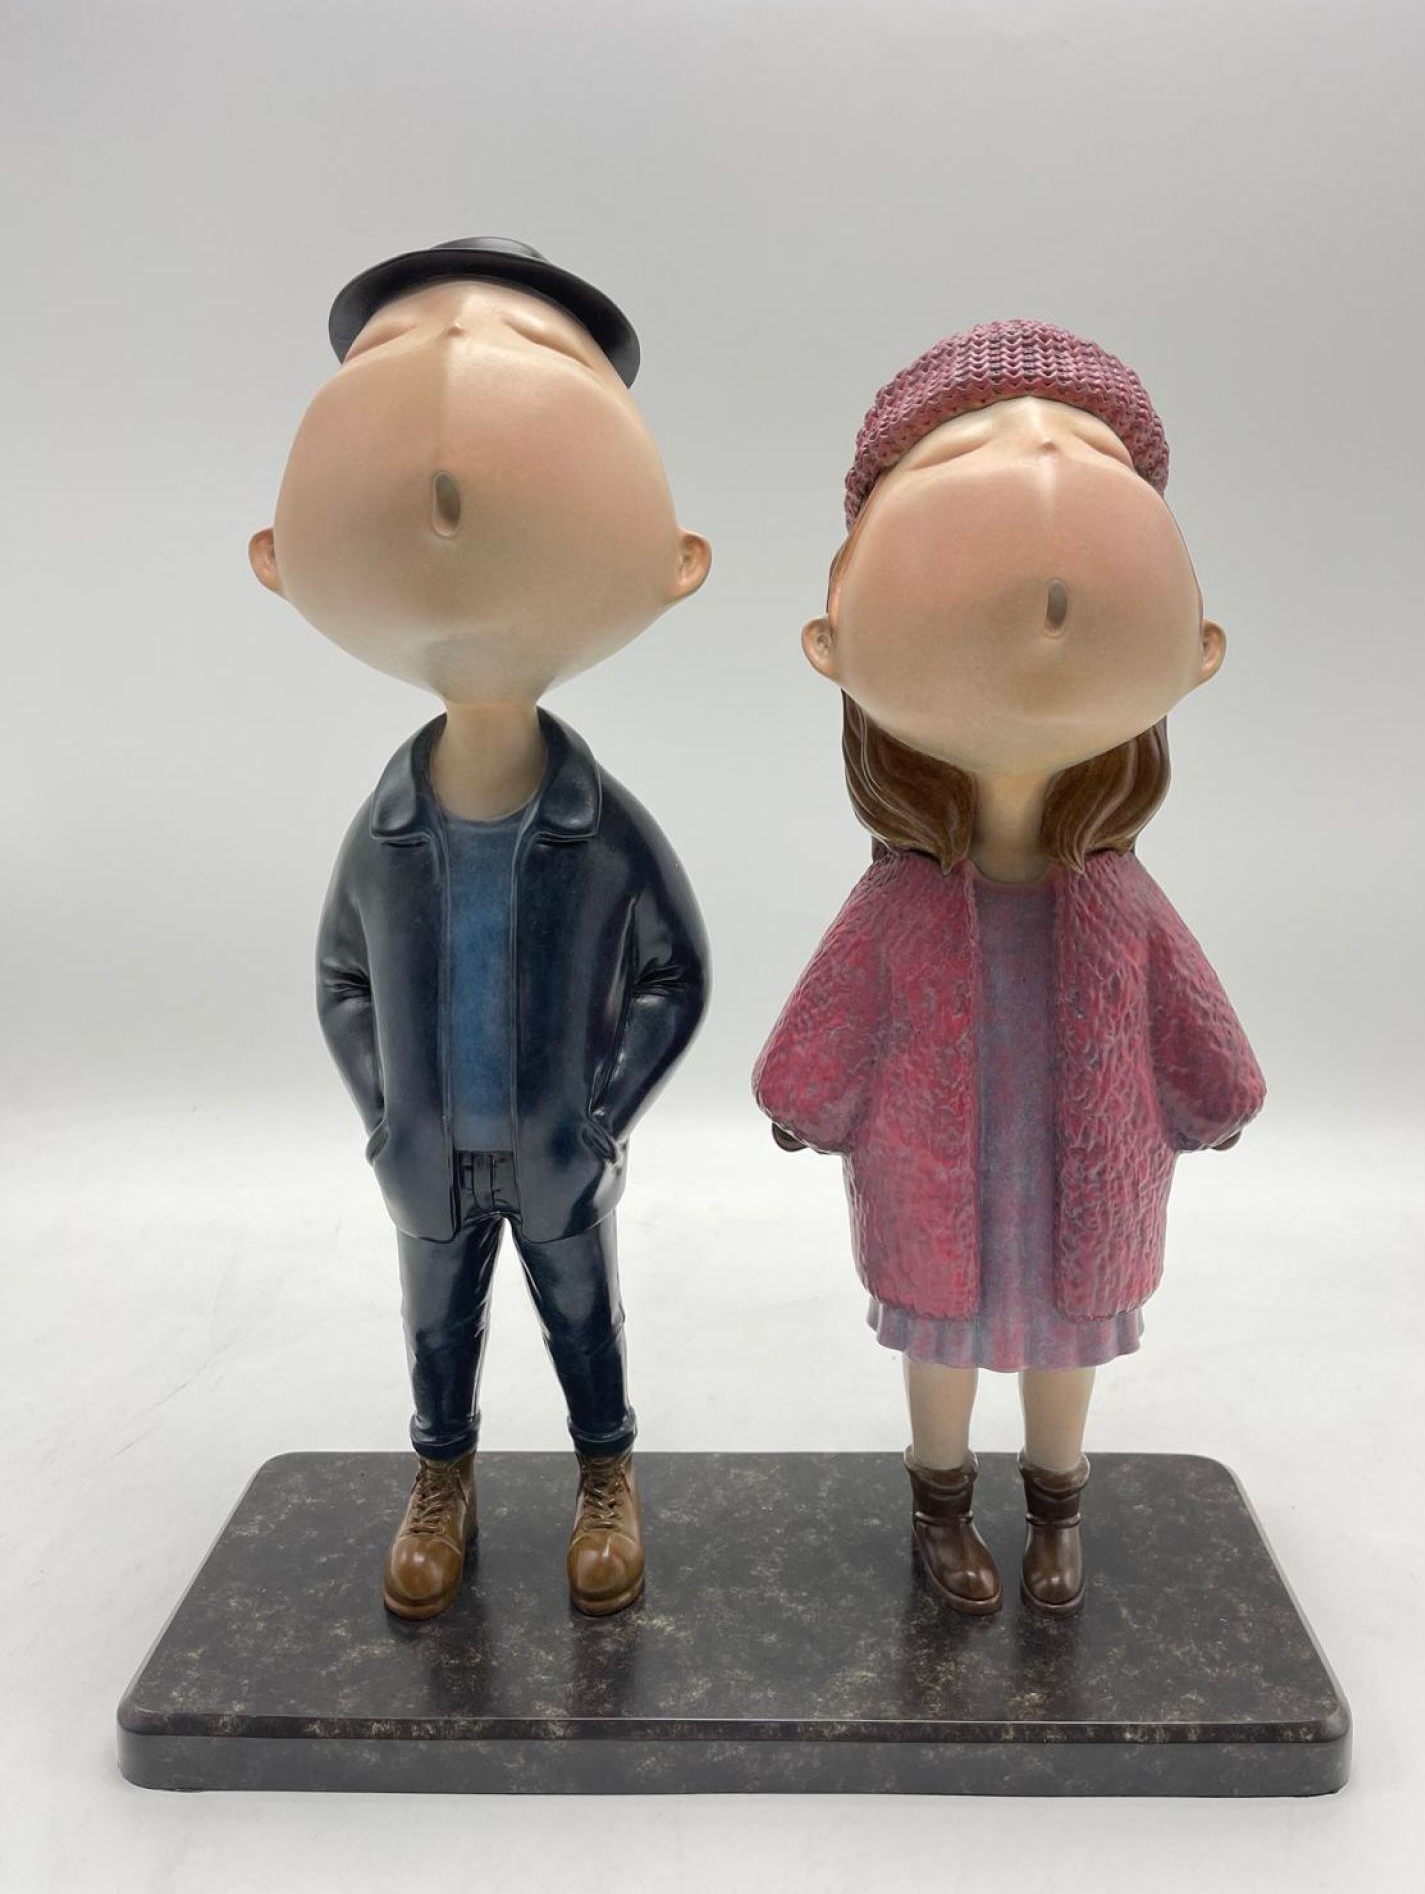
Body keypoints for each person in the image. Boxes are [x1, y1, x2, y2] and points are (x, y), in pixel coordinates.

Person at [752, 319, 1264, 1617]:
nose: (1037, 478)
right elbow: (837, 1002)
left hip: (1085, 1172)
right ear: (835, 637)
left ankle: (1054, 1509)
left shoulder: (1120, 899)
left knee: (1063, 1349)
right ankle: (940, 1506)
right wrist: (803, 1094)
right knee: (937, 1342)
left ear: (1196, 648)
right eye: (967, 457)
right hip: (937, 1168)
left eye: (1088, 460)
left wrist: (1217, 1093)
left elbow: (1187, 1008)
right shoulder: (903, 900)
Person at [248, 238, 711, 1620]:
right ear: (276, 560)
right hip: (430, 1154)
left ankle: (605, 1476)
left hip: (560, 1148)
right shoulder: (389, 828)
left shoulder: (601, 826)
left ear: (678, 562)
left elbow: (677, 975)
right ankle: (438, 1478)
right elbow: (341, 975)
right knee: (437, 1330)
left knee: (583, 1321)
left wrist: (605, 1111)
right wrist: (387, 1103)